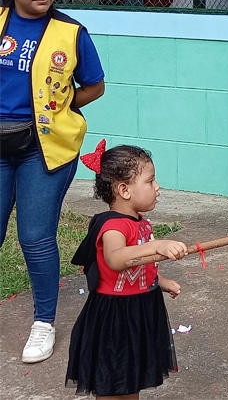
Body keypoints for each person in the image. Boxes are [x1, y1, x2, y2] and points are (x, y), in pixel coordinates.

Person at [0, 0, 105, 363]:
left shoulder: (71, 32)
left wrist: (59, 107)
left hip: (43, 150)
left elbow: (94, 85)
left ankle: (43, 322)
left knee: (35, 237)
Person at [66, 141, 188, 398]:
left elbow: (139, 266)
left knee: (131, 378)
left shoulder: (140, 223)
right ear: (124, 189)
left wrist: (160, 281)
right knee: (110, 382)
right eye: (150, 181)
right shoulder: (114, 226)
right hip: (115, 317)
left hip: (140, 310)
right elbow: (116, 259)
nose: (158, 187)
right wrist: (158, 245)